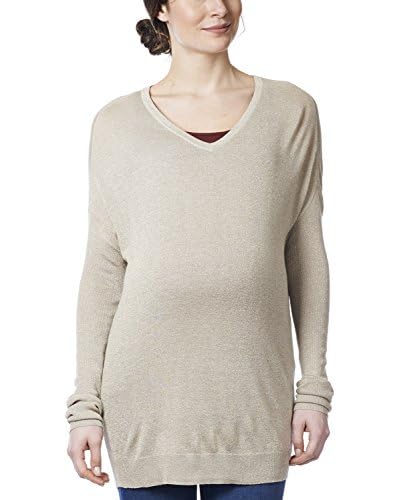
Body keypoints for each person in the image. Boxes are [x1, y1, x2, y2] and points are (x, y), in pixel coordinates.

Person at [65, 1, 334, 499]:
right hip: (145, 401)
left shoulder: (290, 111)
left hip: (255, 400)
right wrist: (86, 406)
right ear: (163, 9)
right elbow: (104, 268)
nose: (218, 8)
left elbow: (306, 255)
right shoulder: (117, 123)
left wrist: (314, 391)